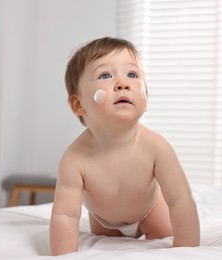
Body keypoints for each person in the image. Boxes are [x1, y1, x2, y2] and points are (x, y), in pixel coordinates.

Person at [49, 37, 200, 256]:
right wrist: (63, 255)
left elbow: (180, 199)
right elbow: (65, 215)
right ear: (79, 104)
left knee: (163, 231)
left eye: (132, 74)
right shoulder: (75, 159)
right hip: (103, 220)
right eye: (105, 75)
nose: (123, 83)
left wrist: (187, 249)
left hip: (150, 211)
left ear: (145, 98)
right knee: (109, 246)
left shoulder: (156, 147)